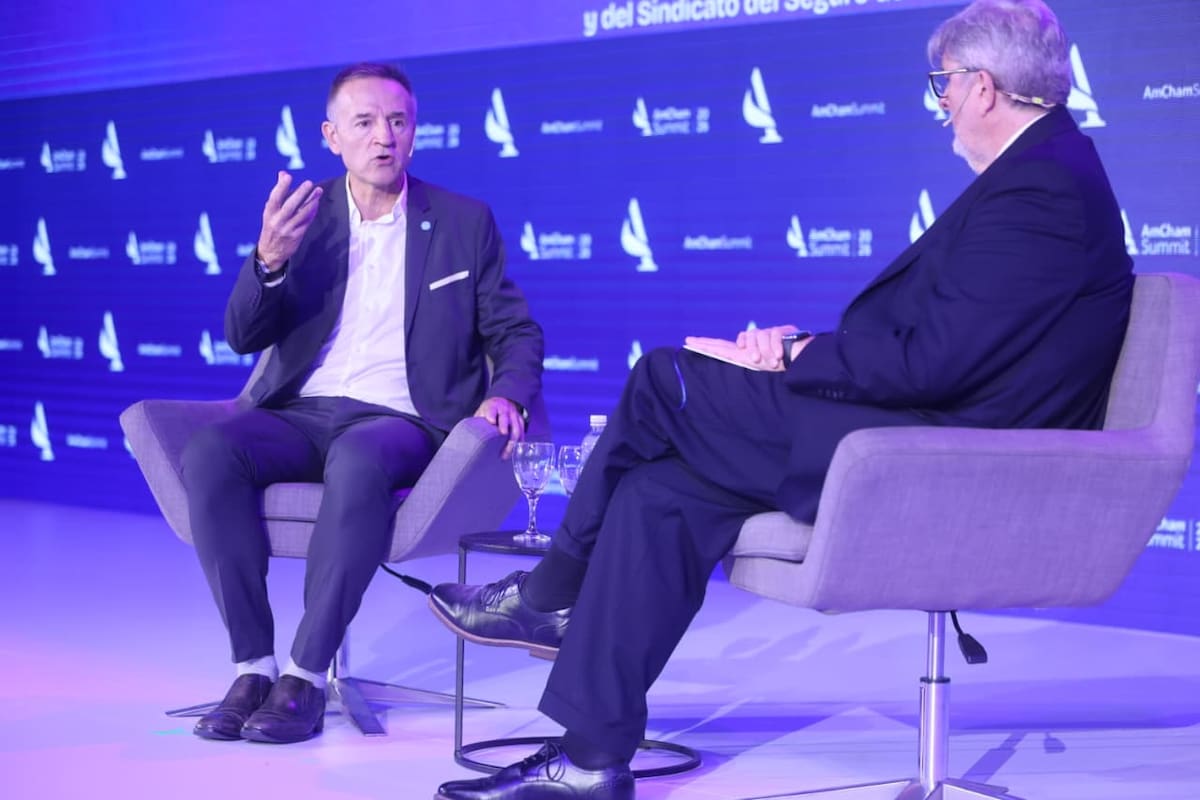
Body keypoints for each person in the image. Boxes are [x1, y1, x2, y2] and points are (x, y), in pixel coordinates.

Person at [427, 0, 1133, 796]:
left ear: (981, 86)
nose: (939, 107)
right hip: (915, 429)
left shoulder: (1039, 189)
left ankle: (548, 594)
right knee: (661, 493)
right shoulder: (1046, 175)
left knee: (664, 379)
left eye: (942, 85)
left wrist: (796, 355)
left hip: (934, 457)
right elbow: (951, 346)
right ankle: (592, 758)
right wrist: (795, 354)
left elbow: (935, 365)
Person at [179, 62, 543, 744]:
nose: (384, 137)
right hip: (302, 410)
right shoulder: (303, 218)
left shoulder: (463, 222)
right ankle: (252, 667)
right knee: (210, 452)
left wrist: (506, 393)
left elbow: (514, 330)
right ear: (332, 136)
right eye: (365, 123)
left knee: (359, 454)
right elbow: (241, 336)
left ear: (414, 132)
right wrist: (268, 261)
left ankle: (305, 676)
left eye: (398, 122)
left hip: (400, 419)